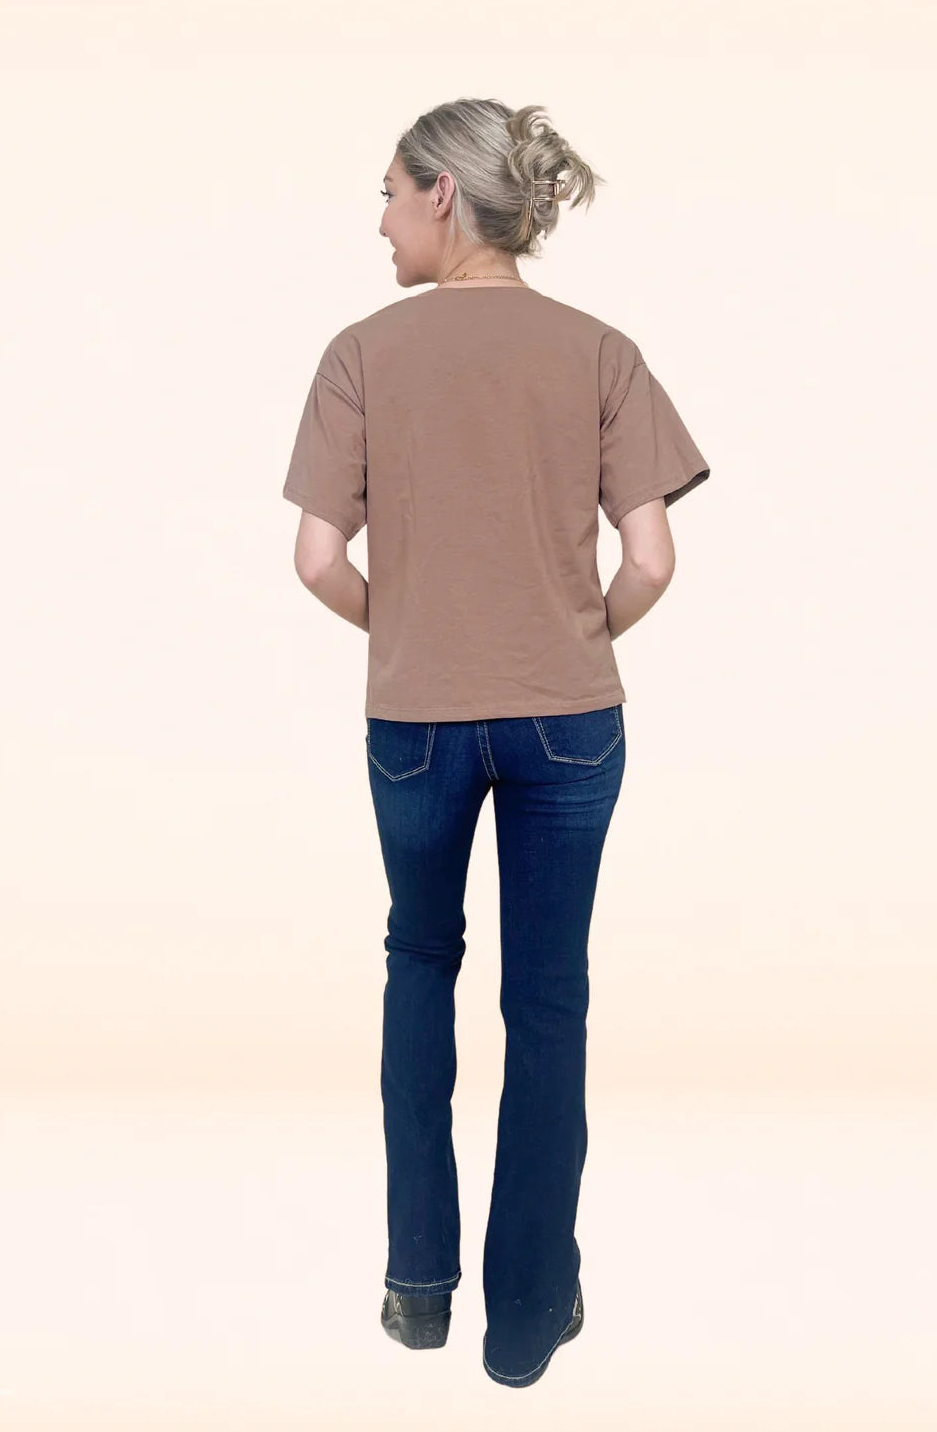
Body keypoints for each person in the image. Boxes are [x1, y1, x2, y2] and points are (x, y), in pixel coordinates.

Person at [282, 98, 711, 1388]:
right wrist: (573, 637)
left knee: (420, 965)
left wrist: (412, 628)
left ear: (442, 195)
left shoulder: (361, 355)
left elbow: (317, 560)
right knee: (549, 999)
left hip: (414, 720)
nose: (379, 222)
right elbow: (652, 559)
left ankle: (420, 1289)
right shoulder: (601, 351)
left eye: (388, 193)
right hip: (569, 721)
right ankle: (526, 1319)